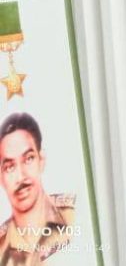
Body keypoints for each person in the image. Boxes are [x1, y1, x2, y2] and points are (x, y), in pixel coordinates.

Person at [0, 113, 76, 264]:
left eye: (28, 159)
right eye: (9, 167)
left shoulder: (74, 216)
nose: (21, 176)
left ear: (41, 160)